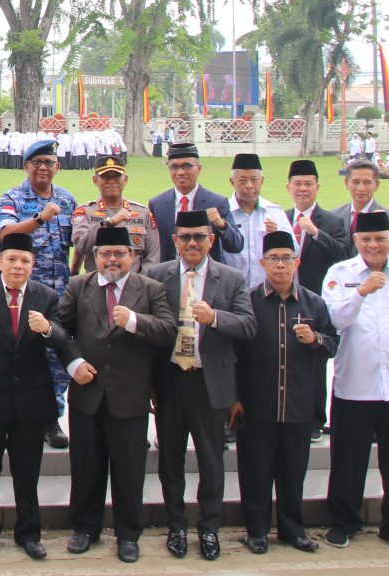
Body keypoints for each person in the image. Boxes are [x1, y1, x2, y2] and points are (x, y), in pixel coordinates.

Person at [55, 226, 176, 563]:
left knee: (128, 470)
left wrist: (136, 320)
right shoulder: (79, 286)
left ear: (132, 257)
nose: (112, 259)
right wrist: (74, 362)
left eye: (119, 254)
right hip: (87, 395)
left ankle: (128, 535)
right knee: (86, 467)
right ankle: (84, 529)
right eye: (105, 254)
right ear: (95, 257)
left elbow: (168, 331)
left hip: (129, 396)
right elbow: (61, 330)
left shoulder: (150, 289)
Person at [146, 211, 256, 560]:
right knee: (170, 461)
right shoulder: (157, 275)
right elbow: (149, 333)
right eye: (185, 237)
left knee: (211, 460)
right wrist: (149, 383)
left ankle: (209, 528)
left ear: (211, 239)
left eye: (199, 237)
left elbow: (249, 326)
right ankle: (176, 525)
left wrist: (216, 318)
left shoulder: (231, 278)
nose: (192, 243)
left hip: (209, 382)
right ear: (175, 240)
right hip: (171, 380)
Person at [322, 211, 389, 551]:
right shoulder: (340, 274)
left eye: (380, 239)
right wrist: (361, 293)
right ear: (356, 241)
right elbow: (333, 321)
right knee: (348, 459)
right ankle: (343, 521)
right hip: (355, 384)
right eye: (366, 239)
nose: (373, 245)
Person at [0, 231, 70, 560]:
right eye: (11, 259)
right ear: (0, 262)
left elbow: (65, 340)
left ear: (32, 264)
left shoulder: (47, 297)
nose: (17, 266)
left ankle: (29, 532)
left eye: (24, 261)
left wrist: (47, 329)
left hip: (31, 400)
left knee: (27, 471)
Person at [230, 230, 335, 554]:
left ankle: (293, 530)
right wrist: (233, 399)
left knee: (292, 473)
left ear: (297, 262)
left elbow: (332, 343)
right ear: (262, 263)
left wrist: (314, 339)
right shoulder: (247, 301)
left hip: (298, 403)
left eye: (286, 259)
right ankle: (257, 531)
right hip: (257, 404)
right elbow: (232, 353)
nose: (280, 266)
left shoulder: (313, 303)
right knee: (256, 472)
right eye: (273, 259)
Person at [0, 138, 79, 448]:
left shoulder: (68, 200)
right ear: (26, 166)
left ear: (58, 167)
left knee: (56, 354)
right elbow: (5, 233)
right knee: (20, 354)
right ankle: (17, 416)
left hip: (60, 294)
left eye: (49, 162)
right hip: (24, 293)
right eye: (36, 162)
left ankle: (52, 418)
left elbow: (75, 242)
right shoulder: (13, 198)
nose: (43, 168)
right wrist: (40, 217)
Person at [147, 143, 245, 264]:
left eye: (187, 166)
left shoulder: (217, 203)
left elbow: (236, 246)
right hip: (169, 277)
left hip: (207, 277)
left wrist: (221, 225)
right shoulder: (157, 205)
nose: (181, 172)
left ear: (199, 168)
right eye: (174, 167)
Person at [71, 156, 160, 274]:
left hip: (135, 287)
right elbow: (82, 245)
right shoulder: (85, 212)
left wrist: (140, 285)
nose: (111, 181)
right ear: (95, 180)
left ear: (125, 179)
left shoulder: (143, 213)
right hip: (96, 287)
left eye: (116, 176)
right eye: (105, 176)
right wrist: (109, 223)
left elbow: (153, 256)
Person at [281, 159, 351, 294]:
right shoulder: (281, 218)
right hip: (284, 294)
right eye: (297, 184)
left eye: (308, 184)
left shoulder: (332, 221)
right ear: (288, 187)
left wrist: (316, 233)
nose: (303, 188)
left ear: (317, 187)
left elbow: (343, 256)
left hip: (317, 294)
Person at [224, 152, 291, 285]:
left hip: (267, 291)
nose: (249, 185)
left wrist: (277, 237)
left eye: (254, 180)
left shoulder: (275, 213)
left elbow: (293, 253)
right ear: (232, 182)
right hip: (230, 290)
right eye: (242, 180)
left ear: (262, 180)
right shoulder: (223, 213)